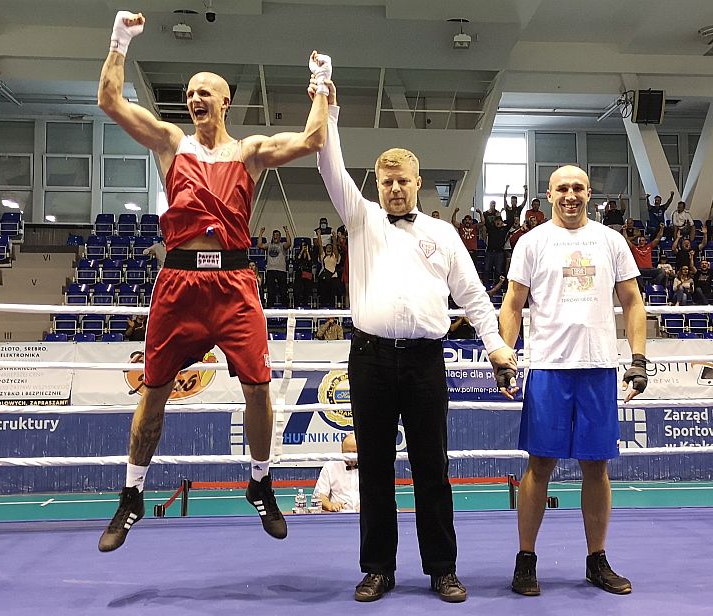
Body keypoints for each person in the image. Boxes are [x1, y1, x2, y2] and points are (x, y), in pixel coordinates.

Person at [95, 11, 329, 552]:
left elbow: (315, 139)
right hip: (177, 285)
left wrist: (320, 83)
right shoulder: (170, 143)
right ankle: (131, 495)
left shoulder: (249, 152)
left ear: (225, 103)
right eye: (192, 92)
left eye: (207, 92)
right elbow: (110, 100)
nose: (196, 97)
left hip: (233, 284)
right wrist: (119, 40)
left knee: (258, 388)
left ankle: (261, 480)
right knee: (153, 395)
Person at [314, 76, 516, 604]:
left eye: (403, 181)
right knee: (375, 466)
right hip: (371, 358)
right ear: (376, 185)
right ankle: (378, 567)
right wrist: (329, 109)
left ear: (418, 182)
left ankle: (442, 568)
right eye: (386, 182)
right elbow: (328, 167)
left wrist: (495, 345)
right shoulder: (359, 220)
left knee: (433, 467)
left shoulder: (443, 234)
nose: (395, 189)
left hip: (426, 360)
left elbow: (473, 297)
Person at [498, 164, 647, 597]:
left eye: (578, 187)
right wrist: (505, 357)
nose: (570, 195)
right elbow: (512, 303)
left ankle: (596, 560)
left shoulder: (610, 240)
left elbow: (633, 301)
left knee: (596, 465)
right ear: (548, 194)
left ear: (589, 193)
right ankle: (526, 560)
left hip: (598, 365)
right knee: (539, 464)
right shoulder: (532, 242)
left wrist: (638, 358)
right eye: (562, 188)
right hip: (547, 367)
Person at [315, 433, 360, 512]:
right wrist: (331, 505)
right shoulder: (330, 467)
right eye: (348, 453)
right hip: (339, 515)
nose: (351, 456)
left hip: (365, 516)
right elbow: (319, 496)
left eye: (354, 452)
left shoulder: (370, 467)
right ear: (342, 451)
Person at [257, 226, 292, 307]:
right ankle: (270, 309)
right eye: (274, 235)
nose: (275, 236)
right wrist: (261, 233)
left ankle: (285, 309)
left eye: (277, 235)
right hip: (270, 270)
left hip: (281, 271)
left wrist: (286, 231)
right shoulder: (269, 245)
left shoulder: (282, 245)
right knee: (271, 292)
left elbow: (289, 243)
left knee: (283, 292)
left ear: (280, 237)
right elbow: (259, 245)